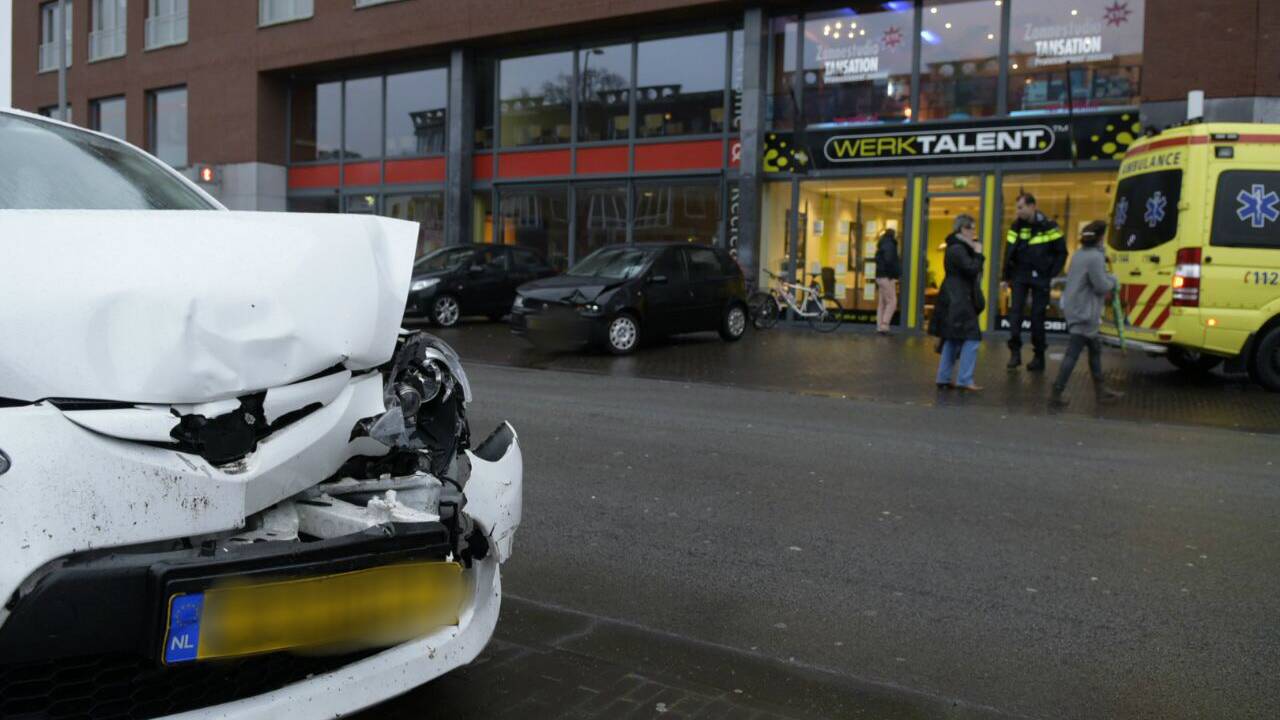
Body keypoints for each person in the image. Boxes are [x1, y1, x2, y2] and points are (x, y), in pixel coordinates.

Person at [1050, 220, 1124, 407]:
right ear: (1100, 238)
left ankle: (1101, 391)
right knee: (1074, 353)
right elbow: (1101, 286)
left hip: (1076, 308)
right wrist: (1114, 281)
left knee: (1094, 350)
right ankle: (1056, 393)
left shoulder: (1079, 254)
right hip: (1085, 312)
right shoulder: (1094, 257)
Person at [1002, 192, 1067, 372]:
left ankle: (1039, 357)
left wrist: (1051, 274)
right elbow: (1008, 251)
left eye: (1021, 207)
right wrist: (1005, 277)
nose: (1018, 211)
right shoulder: (1016, 226)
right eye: (1017, 208)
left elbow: (1062, 252)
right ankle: (1015, 353)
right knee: (1015, 314)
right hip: (1020, 275)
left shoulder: (1049, 226)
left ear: (1032, 206)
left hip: (1041, 276)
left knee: (1038, 317)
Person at [929, 214, 986, 391]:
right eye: (971, 228)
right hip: (960, 299)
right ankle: (965, 379)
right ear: (962, 229)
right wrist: (978, 253)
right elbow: (971, 269)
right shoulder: (958, 249)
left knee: (952, 338)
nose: (974, 232)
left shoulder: (955, 247)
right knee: (972, 338)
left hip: (954, 297)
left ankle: (944, 378)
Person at [873, 228, 901, 334]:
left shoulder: (881, 244)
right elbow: (889, 261)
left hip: (879, 276)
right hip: (887, 277)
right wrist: (893, 275)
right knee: (892, 302)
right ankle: (885, 324)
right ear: (893, 235)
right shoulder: (890, 245)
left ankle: (879, 326)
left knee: (882, 303)